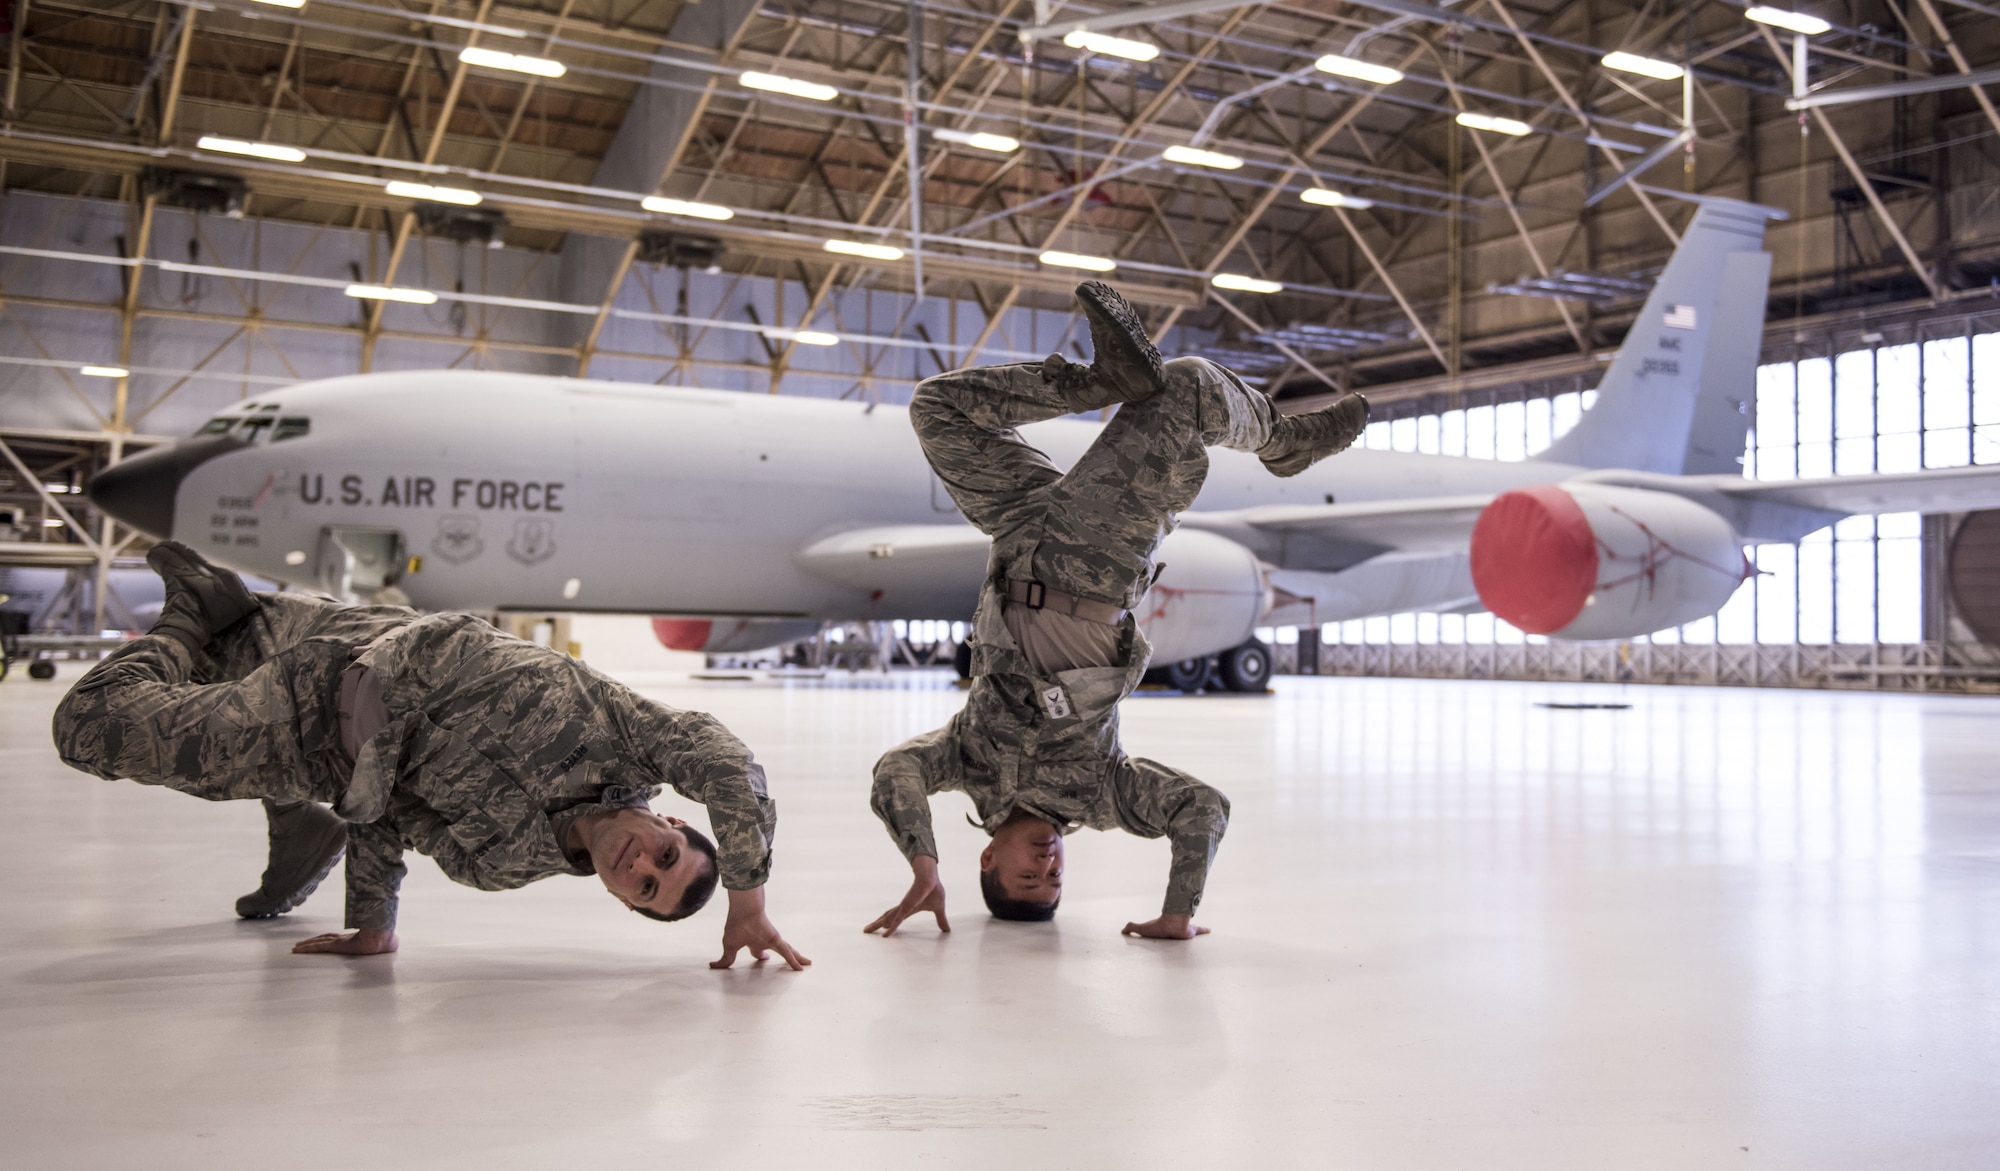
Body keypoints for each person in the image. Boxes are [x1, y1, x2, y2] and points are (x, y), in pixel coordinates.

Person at [864, 281, 1368, 941]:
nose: (1047, 865)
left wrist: (922, 861)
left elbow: (893, 771)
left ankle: (1103, 378)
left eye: (1026, 876)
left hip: (1016, 531)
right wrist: (1178, 911)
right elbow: (1201, 808)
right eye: (1056, 879)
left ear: (987, 857)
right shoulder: (1101, 794)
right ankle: (1285, 442)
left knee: (936, 406)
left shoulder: (962, 759)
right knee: (1188, 387)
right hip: (1092, 558)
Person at [52, 541, 808, 970]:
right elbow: (726, 760)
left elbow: (390, 817)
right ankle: (287, 783)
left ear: (617, 900)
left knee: (88, 727)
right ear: (671, 821)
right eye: (666, 857)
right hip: (379, 636)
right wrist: (748, 899)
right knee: (237, 621)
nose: (639, 865)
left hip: (315, 728)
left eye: (643, 888)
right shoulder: (630, 740)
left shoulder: (499, 864)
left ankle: (181, 630)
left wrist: (374, 921)